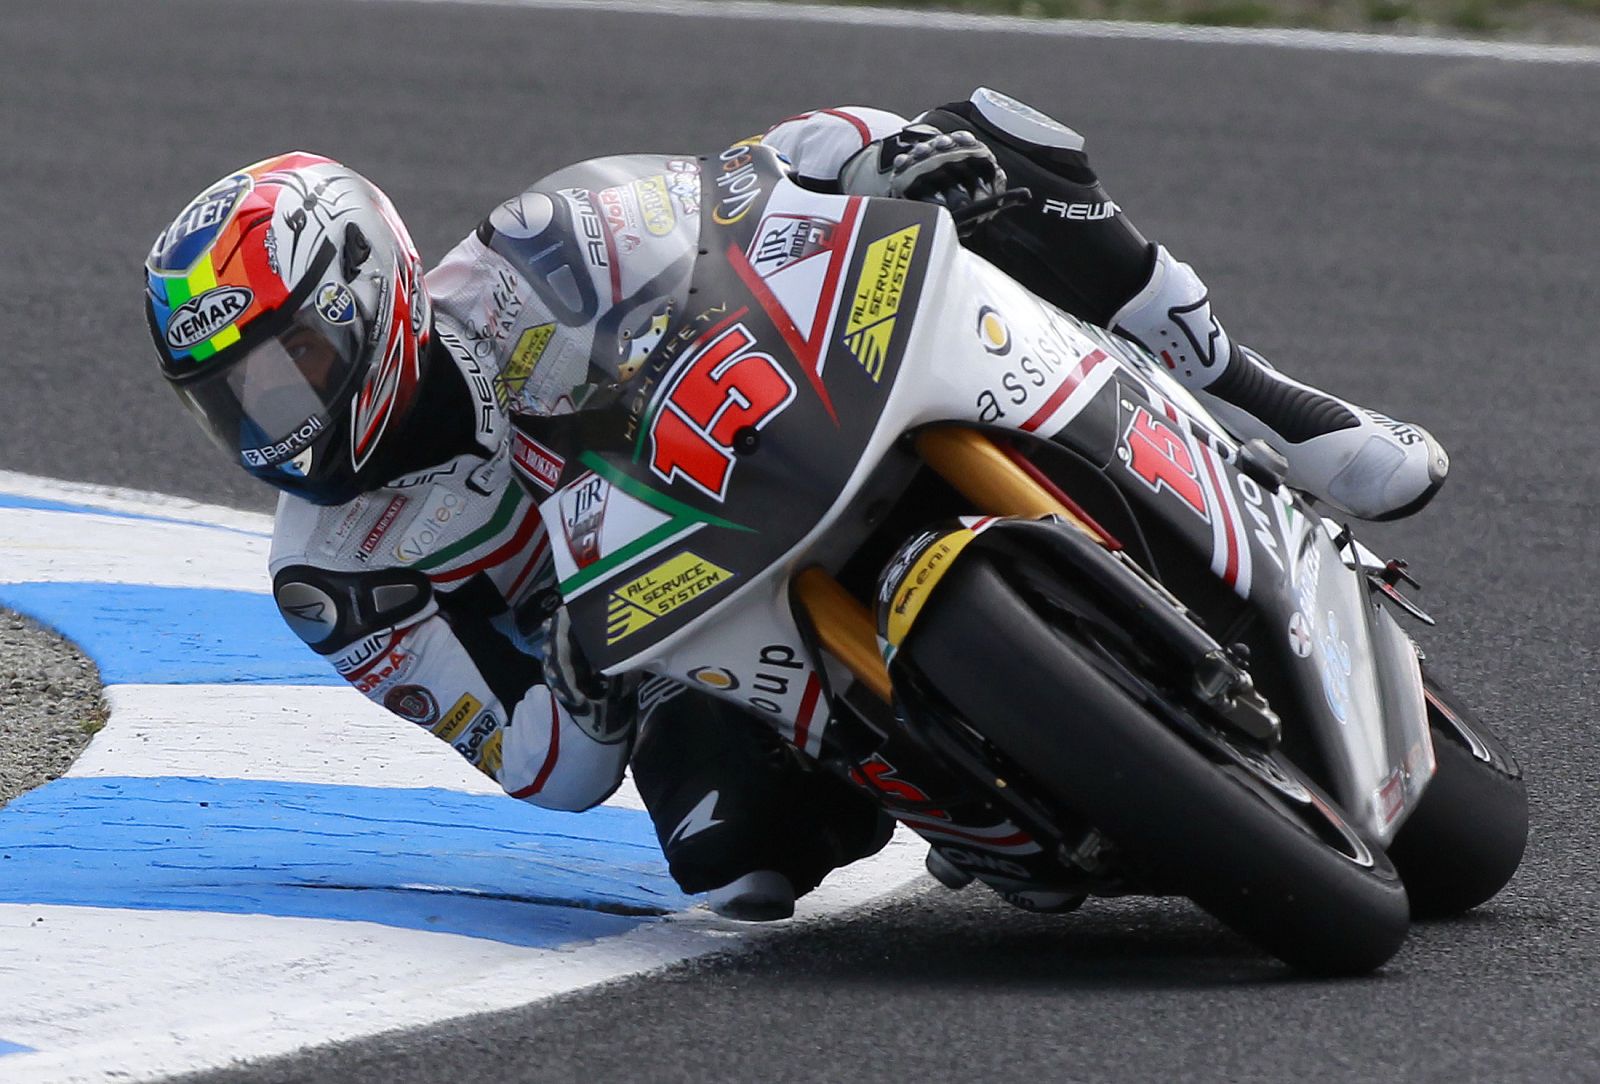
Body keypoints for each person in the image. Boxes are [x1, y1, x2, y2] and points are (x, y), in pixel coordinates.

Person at [143, 88, 1446, 923]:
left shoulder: (537, 245)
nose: (273, 419)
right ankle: (985, 767)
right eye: (232, 401)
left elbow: (746, 185)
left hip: (785, 429)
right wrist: (584, 684)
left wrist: (893, 160)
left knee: (995, 142)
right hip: (670, 653)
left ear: (367, 293)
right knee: (733, 866)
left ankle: (1281, 410)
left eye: (284, 365)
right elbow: (542, 766)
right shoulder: (336, 576)